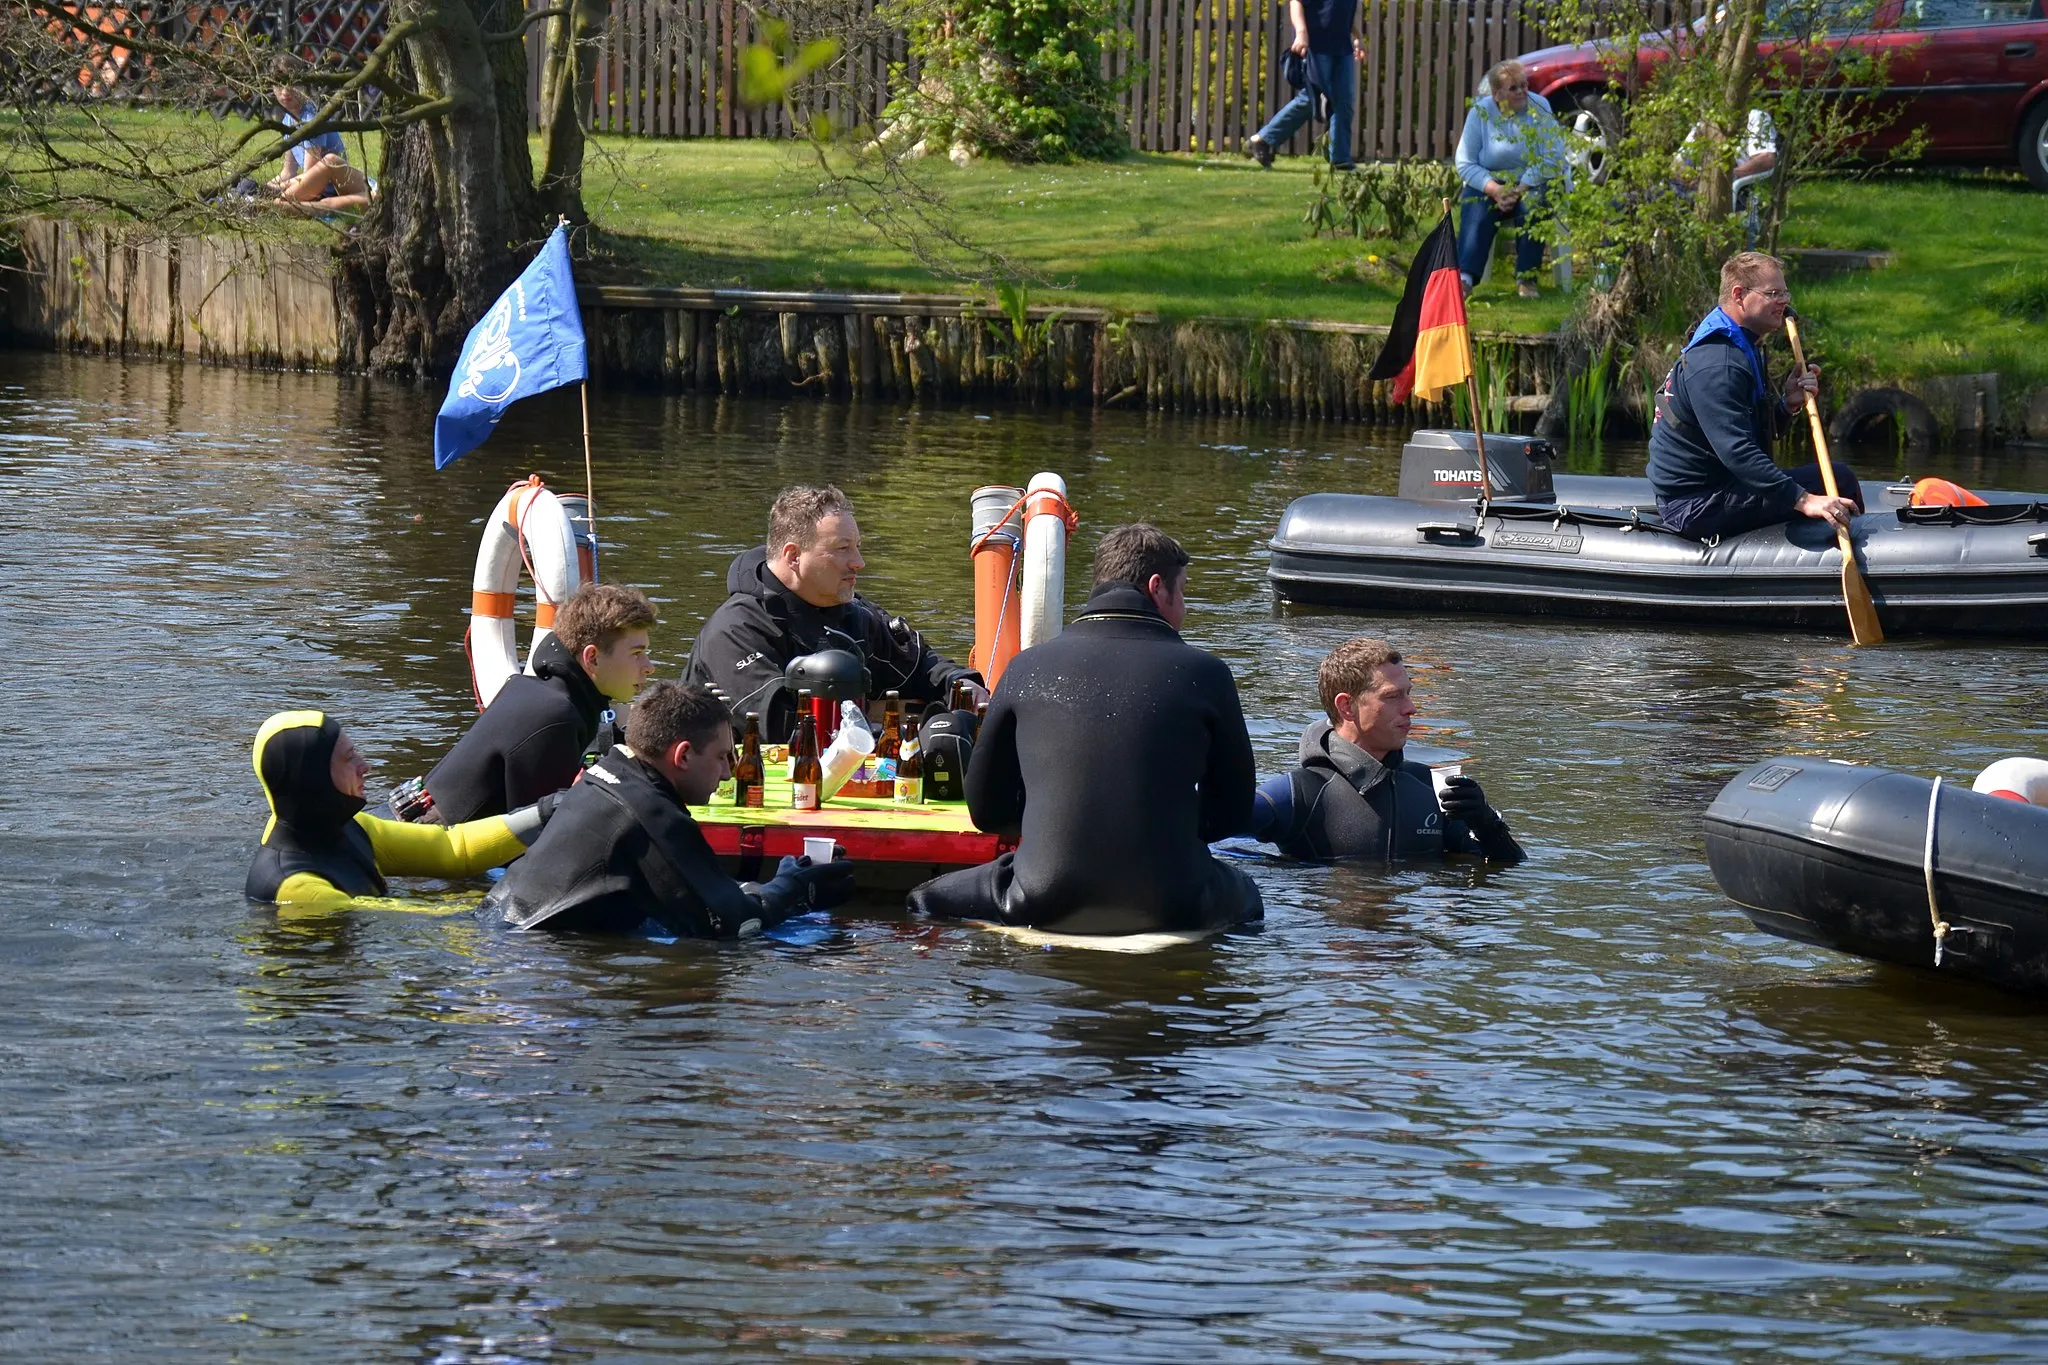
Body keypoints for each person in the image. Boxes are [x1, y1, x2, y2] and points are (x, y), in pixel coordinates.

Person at [907, 524, 1263, 936]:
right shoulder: (1208, 673)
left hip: (1040, 897)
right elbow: (1233, 813)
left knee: (923, 900)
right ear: (1156, 588)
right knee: (1250, 899)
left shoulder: (1026, 668)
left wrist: (1052, 828)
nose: (1183, 607)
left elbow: (986, 811)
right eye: (1181, 591)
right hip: (1177, 902)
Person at [483, 681, 856, 938]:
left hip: (498, 934)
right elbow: (733, 926)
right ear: (683, 755)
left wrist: (776, 883)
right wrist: (793, 889)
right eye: (722, 756)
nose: (729, 772)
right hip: (533, 967)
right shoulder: (651, 816)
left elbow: (699, 890)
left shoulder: (605, 778)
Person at [684, 485, 982, 743]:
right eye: (842, 549)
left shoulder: (853, 614)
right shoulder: (735, 631)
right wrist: (887, 722)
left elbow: (922, 666)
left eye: (857, 547)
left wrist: (963, 686)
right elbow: (780, 726)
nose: (859, 562)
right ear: (793, 556)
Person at [1648, 251, 1862, 541]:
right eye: (1773, 293)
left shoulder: (1742, 344)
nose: (1784, 301)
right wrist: (1804, 500)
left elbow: (1748, 430)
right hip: (1695, 504)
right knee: (1838, 480)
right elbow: (1737, 451)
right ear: (1739, 295)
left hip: (1723, 485)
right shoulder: (1718, 363)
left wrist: (1787, 406)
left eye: (1785, 292)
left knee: (1835, 477)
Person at [1250, 638, 1524, 863]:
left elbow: (1511, 867)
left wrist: (1487, 825)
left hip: (1410, 926)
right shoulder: (1300, 793)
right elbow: (1213, 825)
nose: (1411, 708)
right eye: (1393, 696)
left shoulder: (1430, 787)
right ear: (1347, 706)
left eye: (1408, 692)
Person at [247, 710, 553, 909]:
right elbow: (420, 920)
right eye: (350, 758)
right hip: (322, 1003)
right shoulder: (298, 887)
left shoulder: (350, 826)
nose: (365, 766)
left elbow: (452, 849)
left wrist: (548, 811)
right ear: (313, 777)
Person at [413, 583, 658, 825]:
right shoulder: (557, 717)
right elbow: (541, 843)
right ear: (592, 658)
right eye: (637, 654)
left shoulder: (533, 690)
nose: (649, 667)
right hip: (426, 853)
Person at [1454, 60, 1568, 298]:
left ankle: (1527, 279)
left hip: (1534, 182)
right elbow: (1465, 163)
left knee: (1535, 203)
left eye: (1524, 85)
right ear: (1497, 95)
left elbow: (1553, 157)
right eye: (1514, 88)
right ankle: (1464, 279)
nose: (1522, 91)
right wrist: (1494, 189)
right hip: (1493, 182)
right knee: (1474, 203)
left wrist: (1520, 187)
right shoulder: (1480, 112)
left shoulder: (1540, 106)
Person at [1245, 0, 1366, 170]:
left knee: (1344, 100)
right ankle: (1263, 140)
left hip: (1343, 48)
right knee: (1314, 98)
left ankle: (1341, 160)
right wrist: (1301, 33)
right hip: (1318, 45)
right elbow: (1296, 2)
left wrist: (1357, 37)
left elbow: (1347, 11)